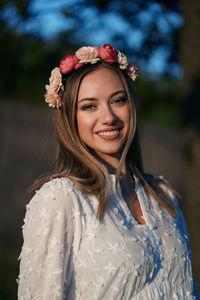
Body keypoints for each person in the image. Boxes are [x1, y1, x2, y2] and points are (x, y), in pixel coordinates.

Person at [17, 44, 199, 299]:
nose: (109, 117)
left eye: (118, 100)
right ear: (70, 117)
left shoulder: (163, 194)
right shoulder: (61, 198)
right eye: (89, 106)